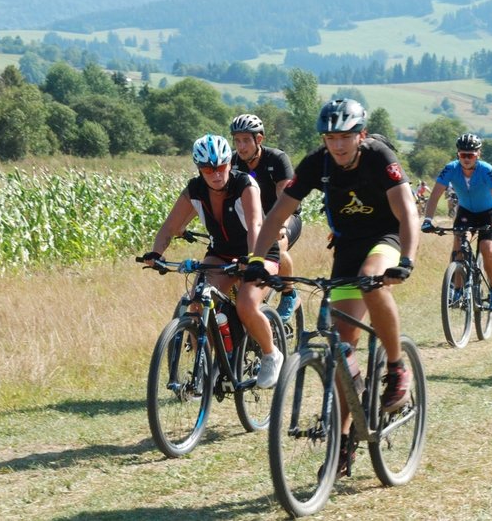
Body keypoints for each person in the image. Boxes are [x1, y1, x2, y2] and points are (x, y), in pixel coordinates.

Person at [241, 98, 419, 476]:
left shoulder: (380, 157)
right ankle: (344, 440)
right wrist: (257, 260)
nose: (338, 145)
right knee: (342, 348)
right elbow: (277, 214)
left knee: (372, 281)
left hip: (387, 237)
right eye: (330, 137)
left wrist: (407, 260)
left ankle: (396, 367)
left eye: (345, 137)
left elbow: (407, 211)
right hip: (348, 246)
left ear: (361, 135)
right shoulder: (316, 163)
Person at [140, 134, 284, 388]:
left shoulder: (245, 185)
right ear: (199, 169)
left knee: (246, 305)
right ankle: (203, 370)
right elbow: (169, 227)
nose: (216, 174)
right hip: (221, 253)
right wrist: (156, 253)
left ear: (229, 163)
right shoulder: (194, 190)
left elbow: (255, 225)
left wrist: (253, 260)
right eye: (208, 169)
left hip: (260, 252)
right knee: (197, 303)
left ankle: (271, 353)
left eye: (220, 166)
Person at [421, 133, 492, 311]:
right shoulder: (450, 169)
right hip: (466, 211)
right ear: (458, 154)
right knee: (459, 245)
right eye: (463, 155)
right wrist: (428, 220)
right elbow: (435, 196)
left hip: (489, 212)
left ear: (478, 154)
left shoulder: (487, 170)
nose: (467, 159)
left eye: (471, 155)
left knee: (487, 248)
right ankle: (457, 289)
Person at [230, 113, 302, 323]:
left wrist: (280, 227)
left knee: (277, 246)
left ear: (259, 139)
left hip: (285, 216)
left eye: (246, 140)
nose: (241, 146)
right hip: (254, 220)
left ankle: (289, 294)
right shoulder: (233, 162)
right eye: (237, 141)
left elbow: (285, 199)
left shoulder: (277, 159)